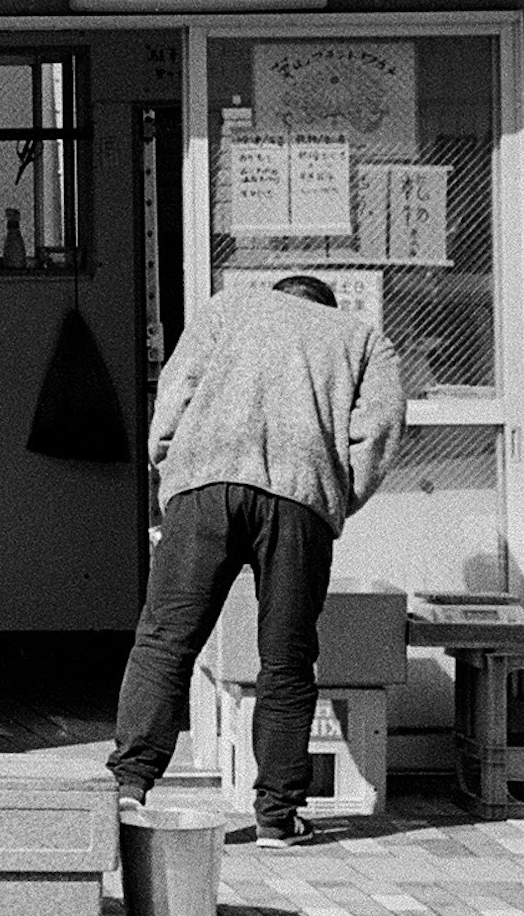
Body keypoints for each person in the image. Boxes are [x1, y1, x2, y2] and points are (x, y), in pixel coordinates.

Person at [106, 274, 407, 845]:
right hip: (299, 497)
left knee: (166, 640)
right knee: (287, 659)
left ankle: (129, 783)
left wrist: (170, 471)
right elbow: (379, 434)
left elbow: (173, 398)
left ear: (279, 293)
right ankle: (276, 815)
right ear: (325, 306)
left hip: (205, 482)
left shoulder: (228, 309)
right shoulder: (362, 339)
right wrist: (334, 498)